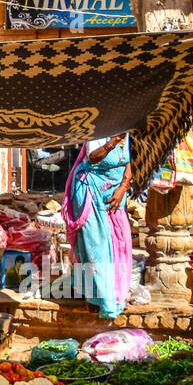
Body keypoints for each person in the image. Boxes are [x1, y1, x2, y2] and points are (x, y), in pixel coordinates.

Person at [62, 132, 134, 320]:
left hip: (116, 194)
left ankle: (116, 297)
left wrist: (123, 187)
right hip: (90, 192)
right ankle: (99, 300)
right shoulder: (100, 132)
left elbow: (129, 166)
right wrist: (114, 139)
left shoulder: (127, 134)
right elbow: (93, 157)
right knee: (97, 248)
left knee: (121, 242)